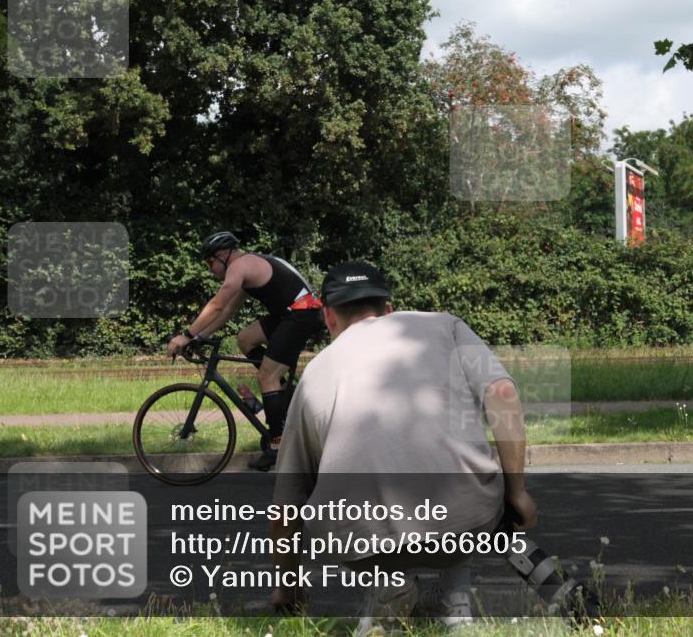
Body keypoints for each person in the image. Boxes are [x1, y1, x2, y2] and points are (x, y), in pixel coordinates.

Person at [267, 261, 537, 632]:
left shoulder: (314, 374)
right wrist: (517, 491)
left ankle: (386, 584)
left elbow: (286, 505)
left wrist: (288, 587)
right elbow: (502, 393)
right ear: (389, 309)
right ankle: (455, 603)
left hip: (363, 539)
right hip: (463, 525)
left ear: (328, 318)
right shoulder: (444, 325)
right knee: (459, 478)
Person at [166, 231, 325, 471]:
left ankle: (277, 444)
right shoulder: (246, 268)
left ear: (222, 255)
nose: (210, 269)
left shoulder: (239, 267)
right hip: (290, 314)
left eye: (210, 263)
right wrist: (199, 337)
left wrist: (185, 336)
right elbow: (227, 311)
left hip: (301, 314)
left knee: (266, 376)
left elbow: (216, 304)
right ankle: (282, 394)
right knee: (245, 339)